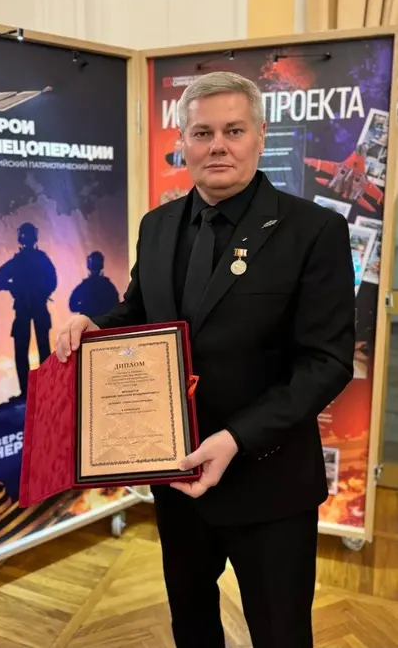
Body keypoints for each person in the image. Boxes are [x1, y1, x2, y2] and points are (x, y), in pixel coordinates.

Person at [54, 71, 355, 648]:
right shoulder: (157, 226)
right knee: (190, 624)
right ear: (183, 143)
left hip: (269, 483)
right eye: (202, 133)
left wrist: (236, 438)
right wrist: (98, 328)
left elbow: (327, 361)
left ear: (260, 136)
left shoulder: (314, 230)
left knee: (281, 634)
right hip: (178, 476)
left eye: (233, 130)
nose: (218, 145)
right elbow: (140, 313)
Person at [0, 222, 57, 399]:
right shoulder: (37, 259)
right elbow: (52, 280)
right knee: (37, 347)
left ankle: (30, 390)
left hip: (29, 307)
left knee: (30, 348)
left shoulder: (21, 261)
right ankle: (39, 389)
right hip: (30, 306)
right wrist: (38, 291)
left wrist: (15, 287)